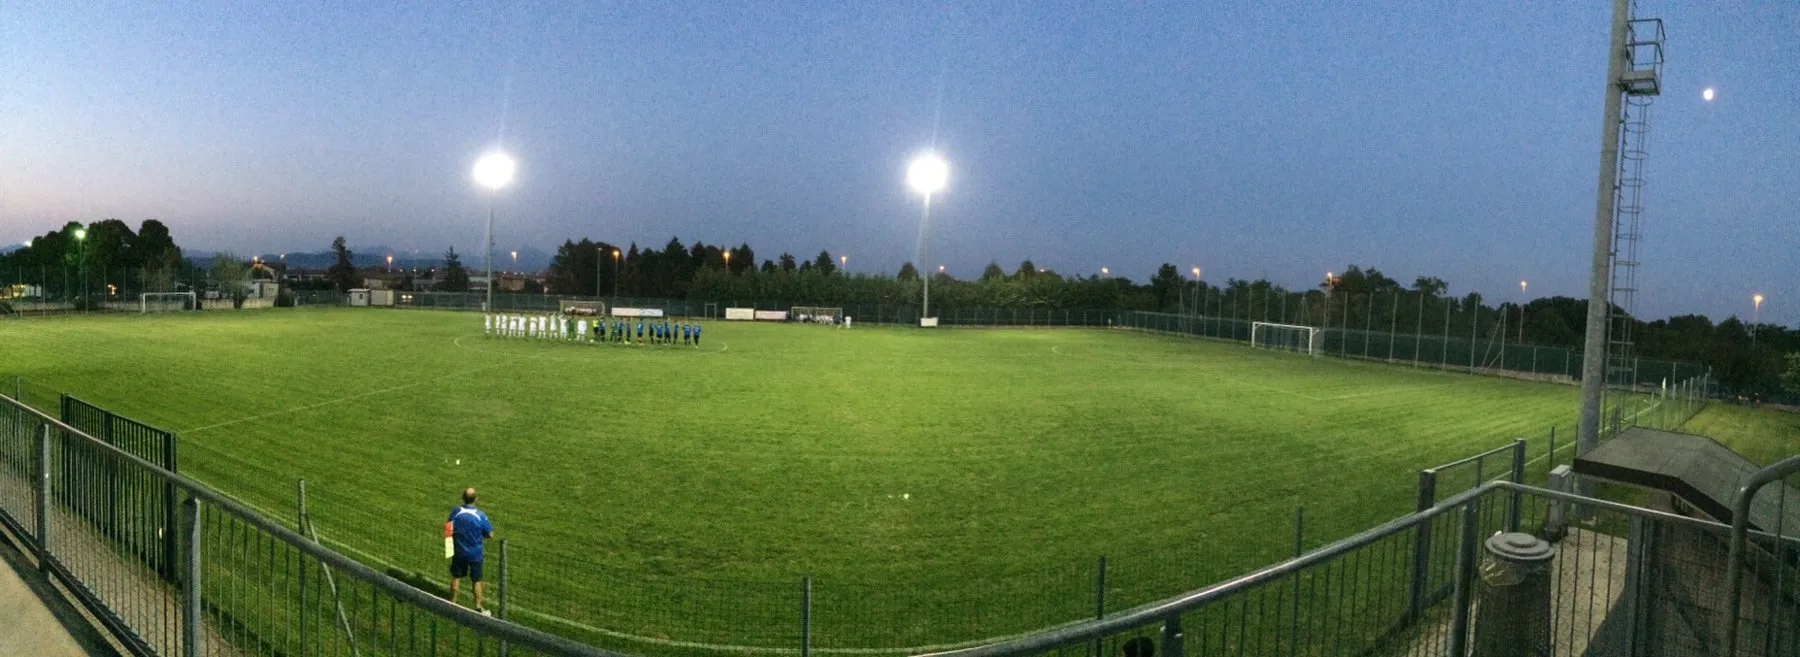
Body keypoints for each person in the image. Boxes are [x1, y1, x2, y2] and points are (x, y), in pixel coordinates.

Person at [447, 487, 495, 614]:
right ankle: (478, 606)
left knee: (456, 577)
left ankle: (452, 602)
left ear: (463, 498)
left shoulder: (456, 511)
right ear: (476, 499)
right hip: (475, 553)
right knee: (477, 580)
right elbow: (490, 534)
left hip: (459, 551)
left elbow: (448, 528)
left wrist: (450, 546)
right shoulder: (480, 516)